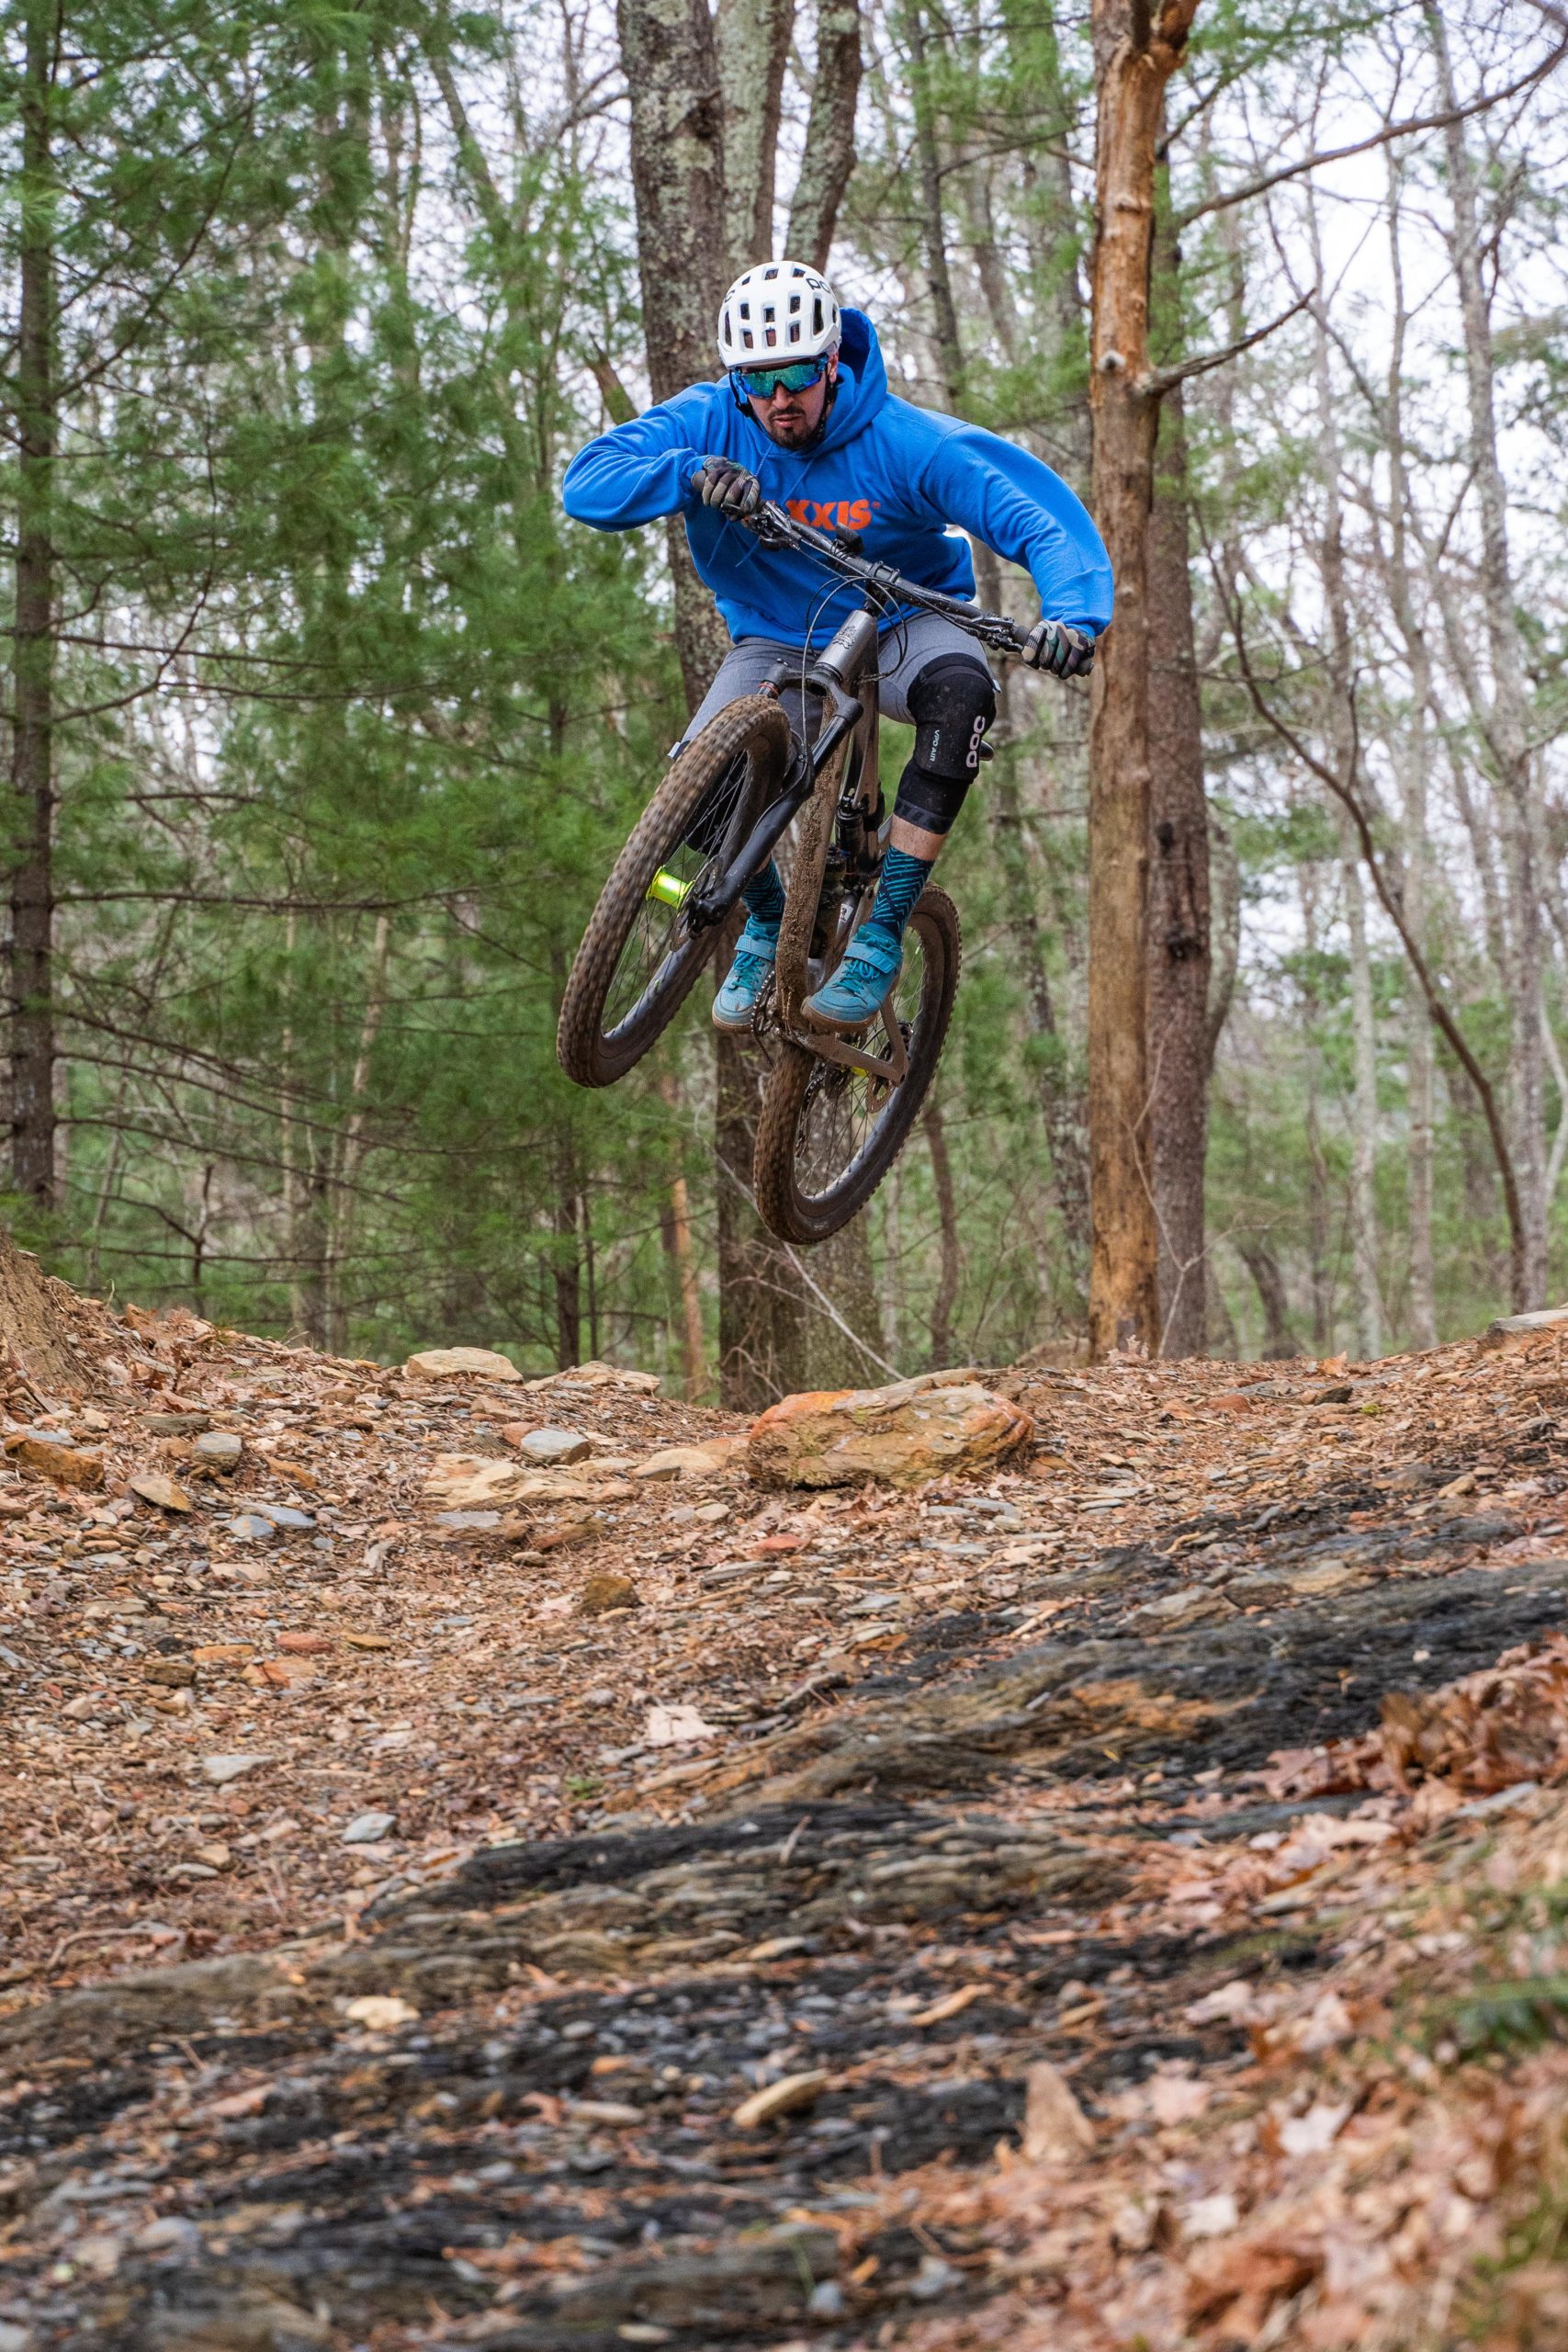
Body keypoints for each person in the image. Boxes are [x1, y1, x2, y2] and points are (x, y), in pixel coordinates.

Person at [563, 259, 1112, 1031]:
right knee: (697, 792)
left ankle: (882, 929)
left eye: (795, 373)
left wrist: (1074, 618)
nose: (779, 399)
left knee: (961, 694)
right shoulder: (710, 419)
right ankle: (768, 922)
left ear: (829, 363)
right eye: (758, 380)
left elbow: (1035, 521)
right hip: (774, 636)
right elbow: (586, 482)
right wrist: (689, 475)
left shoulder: (904, 441)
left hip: (900, 621)